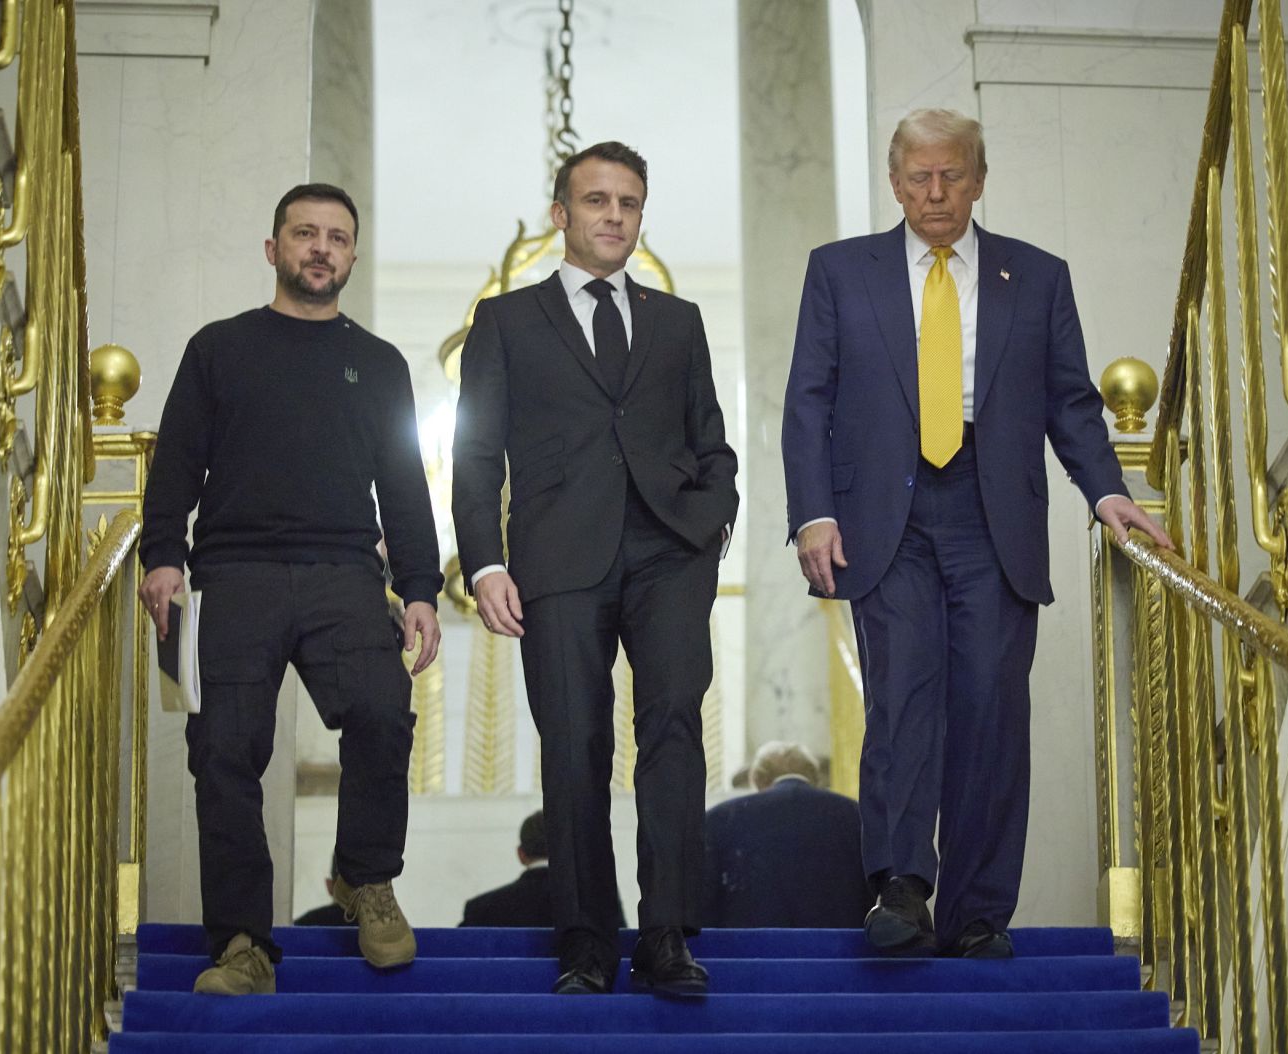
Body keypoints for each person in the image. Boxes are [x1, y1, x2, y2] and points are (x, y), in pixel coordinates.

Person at [781, 109, 1171, 960]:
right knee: (904, 699)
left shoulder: (1035, 277)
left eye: (952, 175)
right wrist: (813, 512)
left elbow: (1070, 401)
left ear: (979, 179)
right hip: (885, 517)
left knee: (993, 707)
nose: (935, 192)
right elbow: (809, 396)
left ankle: (979, 911)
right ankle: (900, 887)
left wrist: (1107, 495)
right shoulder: (840, 272)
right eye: (918, 177)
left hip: (993, 515)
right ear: (894, 184)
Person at [139, 183, 443, 995]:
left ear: (352, 255)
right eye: (304, 233)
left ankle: (365, 879)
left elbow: (405, 487)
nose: (321, 248)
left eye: (337, 237)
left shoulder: (378, 364)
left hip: (346, 572)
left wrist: (420, 587)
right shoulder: (218, 349)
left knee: (383, 712)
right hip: (231, 575)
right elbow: (176, 463)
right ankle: (242, 944)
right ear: (273, 249)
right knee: (224, 753)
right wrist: (162, 555)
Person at [452, 141, 739, 997]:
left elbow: (711, 441)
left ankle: (667, 939)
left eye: (629, 203)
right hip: (558, 558)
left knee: (674, 733)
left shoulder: (676, 322)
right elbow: (475, 456)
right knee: (574, 746)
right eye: (597, 201)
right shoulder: (504, 322)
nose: (614, 216)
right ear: (561, 215)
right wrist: (485, 564)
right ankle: (584, 942)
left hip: (668, 554)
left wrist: (710, 521)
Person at [702, 742, 874, 928]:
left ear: (758, 778)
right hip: (843, 947)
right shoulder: (858, 815)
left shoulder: (720, 818)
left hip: (745, 947)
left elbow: (704, 897)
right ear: (815, 778)